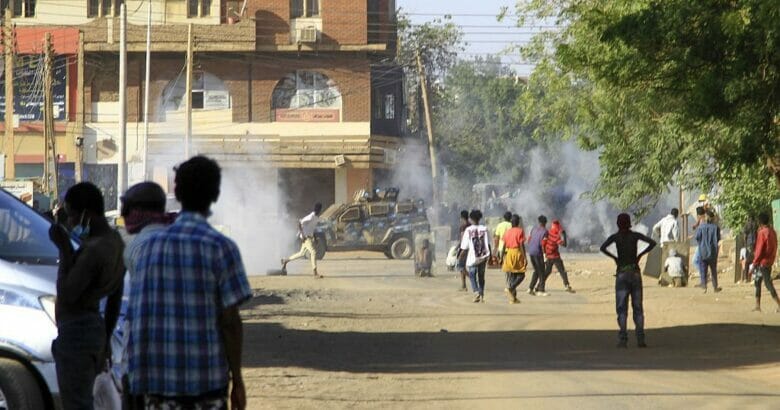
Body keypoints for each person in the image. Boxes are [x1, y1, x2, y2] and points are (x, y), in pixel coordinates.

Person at [127, 156, 252, 409]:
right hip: (206, 387)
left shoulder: (148, 248)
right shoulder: (221, 247)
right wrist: (237, 380)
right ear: (215, 195)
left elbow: (139, 320)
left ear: (178, 192)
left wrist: (136, 385)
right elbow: (230, 322)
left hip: (158, 389)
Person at [48, 182, 125, 409]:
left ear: (87, 214)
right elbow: (115, 298)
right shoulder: (116, 243)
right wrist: (106, 338)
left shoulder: (94, 250)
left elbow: (68, 293)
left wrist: (65, 250)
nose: (70, 222)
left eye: (72, 215)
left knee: (77, 403)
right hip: (94, 331)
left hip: (77, 336)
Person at [600, 213, 656, 348]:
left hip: (622, 273)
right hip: (635, 273)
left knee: (622, 309)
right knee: (638, 308)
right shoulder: (635, 236)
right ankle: (640, 339)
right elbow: (652, 243)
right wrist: (640, 255)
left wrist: (615, 258)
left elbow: (603, 248)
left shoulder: (616, 237)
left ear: (618, 224)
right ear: (629, 223)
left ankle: (623, 338)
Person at [282, 203, 324, 278]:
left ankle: (286, 260)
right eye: (320, 209)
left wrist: (314, 237)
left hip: (309, 237)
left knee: (301, 253)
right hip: (306, 237)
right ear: (318, 209)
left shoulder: (316, 217)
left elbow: (312, 228)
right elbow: (300, 223)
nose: (321, 210)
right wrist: (303, 236)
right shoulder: (311, 216)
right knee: (313, 252)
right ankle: (315, 273)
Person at [750, 213, 780, 312]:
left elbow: (758, 250)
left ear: (760, 222)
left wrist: (754, 263)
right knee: (757, 282)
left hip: (762, 262)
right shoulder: (772, 231)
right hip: (769, 261)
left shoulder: (762, 233)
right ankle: (757, 305)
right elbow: (775, 245)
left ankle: (779, 304)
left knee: (768, 284)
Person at [460, 209, 491, 303]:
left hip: (472, 257)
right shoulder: (484, 229)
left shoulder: (468, 230)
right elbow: (488, 243)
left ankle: (476, 291)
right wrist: (490, 256)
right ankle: (481, 295)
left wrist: (460, 256)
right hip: (483, 256)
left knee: (472, 275)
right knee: (481, 276)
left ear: (471, 219)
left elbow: (464, 247)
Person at [540, 219, 576, 294]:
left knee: (547, 272)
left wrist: (544, 254)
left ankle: (539, 286)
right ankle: (567, 285)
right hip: (555, 256)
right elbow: (564, 245)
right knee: (562, 271)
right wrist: (564, 235)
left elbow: (543, 243)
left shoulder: (548, 233)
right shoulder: (556, 236)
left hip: (548, 256)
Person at [502, 214, 527, 304]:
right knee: (521, 275)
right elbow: (521, 245)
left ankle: (513, 298)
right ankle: (510, 288)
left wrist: (501, 257)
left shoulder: (507, 232)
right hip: (517, 253)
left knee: (512, 276)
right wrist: (525, 257)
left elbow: (504, 245)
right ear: (518, 222)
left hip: (509, 254)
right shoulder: (520, 231)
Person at [695, 211, 721, 293]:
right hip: (713, 251)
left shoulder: (700, 227)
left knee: (703, 269)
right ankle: (715, 287)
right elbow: (718, 238)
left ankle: (704, 286)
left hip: (703, 251)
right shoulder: (716, 228)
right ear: (713, 218)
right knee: (713, 270)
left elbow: (697, 238)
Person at [526, 215, 548, 296]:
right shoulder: (545, 231)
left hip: (531, 252)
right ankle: (541, 290)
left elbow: (529, 240)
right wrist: (545, 256)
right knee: (542, 271)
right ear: (545, 223)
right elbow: (543, 244)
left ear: (539, 222)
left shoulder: (533, 229)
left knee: (536, 270)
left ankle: (530, 288)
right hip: (538, 252)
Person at [456, 210, 470, 291]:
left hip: (463, 248)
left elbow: (462, 238)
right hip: (469, 248)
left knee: (461, 267)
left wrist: (458, 246)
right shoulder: (470, 225)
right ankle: (463, 285)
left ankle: (472, 279)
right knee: (462, 267)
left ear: (461, 217)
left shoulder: (463, 226)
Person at [741, 217, 758, 283]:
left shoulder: (746, 225)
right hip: (755, 244)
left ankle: (746, 278)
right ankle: (755, 277)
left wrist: (745, 244)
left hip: (749, 244)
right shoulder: (756, 225)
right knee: (756, 260)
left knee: (747, 261)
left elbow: (745, 236)